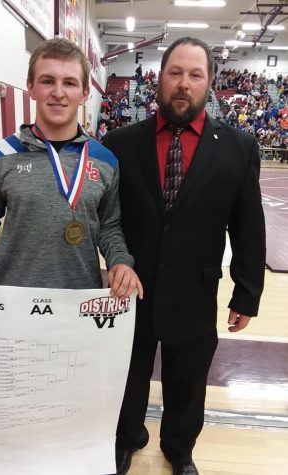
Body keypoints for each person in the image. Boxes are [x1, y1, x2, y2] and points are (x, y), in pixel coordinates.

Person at [103, 37, 265, 475]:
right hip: (128, 291)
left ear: (210, 83)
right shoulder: (119, 143)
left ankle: (179, 448)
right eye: (175, 73)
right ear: (159, 79)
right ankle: (126, 438)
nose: (183, 84)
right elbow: (106, 216)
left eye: (195, 75)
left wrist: (246, 293)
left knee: (187, 382)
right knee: (127, 377)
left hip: (195, 290)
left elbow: (248, 226)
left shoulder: (237, 147)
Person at [0, 38, 143, 311]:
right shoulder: (0, 154)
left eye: (70, 83)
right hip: (12, 300)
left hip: (79, 301)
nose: (58, 92)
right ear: (31, 87)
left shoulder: (104, 160)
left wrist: (120, 262)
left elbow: (109, 226)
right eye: (48, 81)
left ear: (85, 92)